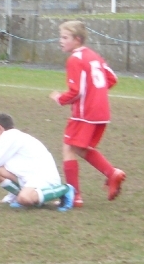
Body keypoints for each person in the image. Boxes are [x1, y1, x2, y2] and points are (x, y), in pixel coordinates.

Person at [49, 20, 125, 208]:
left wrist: (60, 98)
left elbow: (76, 91)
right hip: (101, 112)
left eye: (65, 37)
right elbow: (112, 79)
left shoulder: (75, 59)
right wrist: (96, 93)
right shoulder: (94, 56)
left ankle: (74, 196)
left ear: (77, 39)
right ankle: (112, 173)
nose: (61, 41)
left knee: (68, 148)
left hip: (85, 113)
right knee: (80, 148)